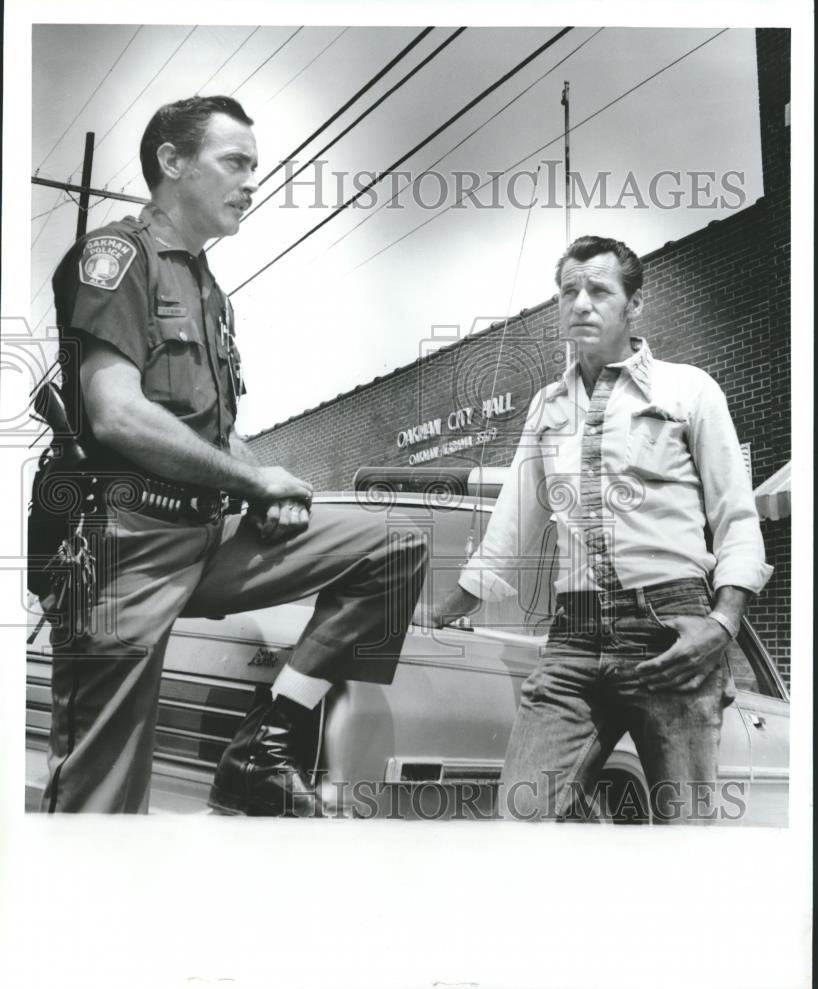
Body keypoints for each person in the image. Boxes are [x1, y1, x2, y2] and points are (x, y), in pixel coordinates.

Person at [40, 96, 427, 815]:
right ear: (173, 162)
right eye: (236, 162)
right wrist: (252, 480)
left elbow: (214, 434)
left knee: (395, 548)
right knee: (104, 801)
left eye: (256, 165)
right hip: (124, 546)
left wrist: (262, 487)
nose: (253, 180)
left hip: (206, 537)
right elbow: (118, 413)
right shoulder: (118, 257)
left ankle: (266, 744)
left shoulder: (210, 289)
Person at [432, 235, 771, 823]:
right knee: (521, 818)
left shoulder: (688, 389)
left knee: (684, 832)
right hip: (574, 637)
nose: (581, 303)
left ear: (633, 305)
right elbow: (512, 523)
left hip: (670, 629)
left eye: (598, 290)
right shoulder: (546, 407)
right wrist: (438, 611)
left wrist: (723, 623)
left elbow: (736, 519)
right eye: (569, 291)